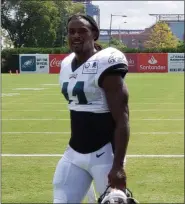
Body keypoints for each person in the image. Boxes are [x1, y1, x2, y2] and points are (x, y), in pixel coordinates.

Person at [53, 14, 130, 203]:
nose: (76, 36)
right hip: (74, 152)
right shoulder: (66, 63)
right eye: (71, 32)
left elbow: (122, 118)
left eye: (82, 31)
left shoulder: (106, 62)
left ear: (94, 34)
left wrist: (118, 166)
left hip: (104, 155)